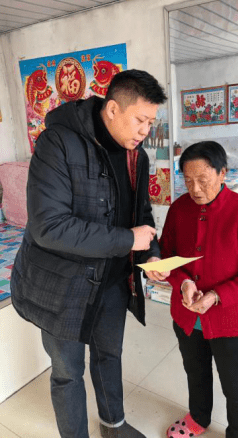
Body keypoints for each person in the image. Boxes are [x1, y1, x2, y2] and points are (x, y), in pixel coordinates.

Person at [10, 69, 170, 438]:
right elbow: (48, 226)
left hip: (112, 282)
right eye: (141, 120)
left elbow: (140, 218)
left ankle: (113, 426)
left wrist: (151, 258)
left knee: (108, 356)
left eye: (151, 121)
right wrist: (128, 241)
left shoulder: (137, 157)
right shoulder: (57, 143)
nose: (147, 130)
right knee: (68, 372)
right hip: (61, 287)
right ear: (113, 109)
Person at [160, 141, 238, 438]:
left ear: (222, 174)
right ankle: (198, 418)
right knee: (196, 372)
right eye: (188, 180)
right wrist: (183, 282)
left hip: (231, 320)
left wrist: (216, 295)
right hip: (186, 316)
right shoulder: (179, 209)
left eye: (203, 180)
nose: (195, 189)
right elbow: (167, 255)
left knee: (236, 383)